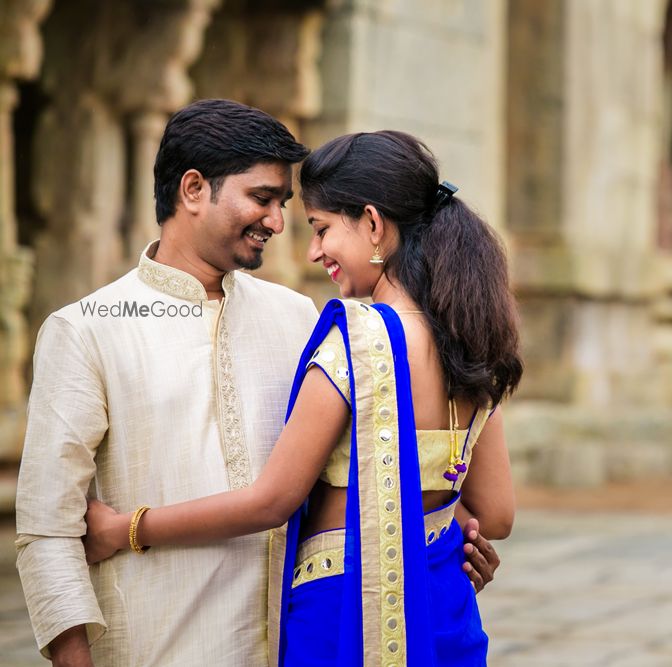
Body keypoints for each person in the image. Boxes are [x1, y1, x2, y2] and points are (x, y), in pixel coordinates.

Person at [15, 101, 498, 667]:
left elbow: (369, 461)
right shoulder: (87, 330)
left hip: (294, 644)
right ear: (193, 189)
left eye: (285, 205)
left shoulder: (300, 319)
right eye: (262, 198)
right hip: (157, 646)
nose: (277, 222)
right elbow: (47, 530)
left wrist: (445, 541)